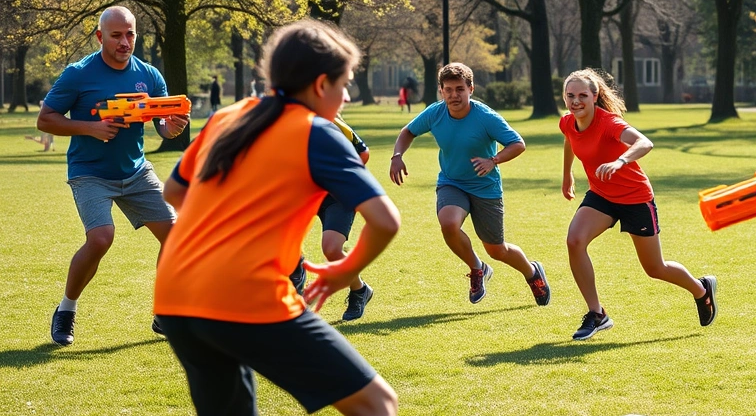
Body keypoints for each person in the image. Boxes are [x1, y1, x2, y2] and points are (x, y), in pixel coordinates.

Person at [154, 19, 400, 416]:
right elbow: (385, 220)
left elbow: (175, 191)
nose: (345, 98)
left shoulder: (227, 117)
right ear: (321, 84)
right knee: (375, 405)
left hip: (176, 294)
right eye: (345, 85)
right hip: (244, 292)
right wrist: (346, 271)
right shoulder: (317, 132)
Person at [38, 6, 189, 346]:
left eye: (130, 34)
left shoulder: (150, 75)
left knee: (177, 235)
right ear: (100, 36)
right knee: (101, 238)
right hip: (90, 173)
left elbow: (162, 126)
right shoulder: (78, 74)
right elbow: (46, 119)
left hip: (136, 171)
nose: (124, 42)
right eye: (117, 35)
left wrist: (171, 127)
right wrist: (91, 128)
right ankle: (66, 310)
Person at [559, 68, 717, 340]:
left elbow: (645, 142)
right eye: (570, 95)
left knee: (655, 268)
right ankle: (597, 314)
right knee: (575, 241)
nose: (576, 101)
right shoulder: (568, 122)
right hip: (602, 196)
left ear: (595, 96)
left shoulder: (610, 123)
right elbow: (570, 142)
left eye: (582, 95)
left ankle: (701, 290)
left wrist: (621, 161)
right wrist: (567, 175)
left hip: (634, 198)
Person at [389, 62, 550, 306]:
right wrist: (397, 156)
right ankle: (477, 268)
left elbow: (517, 143)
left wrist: (493, 160)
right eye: (448, 90)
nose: (454, 95)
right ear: (441, 91)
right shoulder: (435, 112)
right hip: (452, 182)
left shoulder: (485, 117)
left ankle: (532, 272)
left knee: (497, 250)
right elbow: (407, 132)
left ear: (470, 89)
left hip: (485, 187)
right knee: (449, 223)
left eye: (459, 89)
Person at [289, 89, 375, 321]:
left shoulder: (329, 121)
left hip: (337, 197)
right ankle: (294, 281)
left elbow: (363, 154)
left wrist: (340, 177)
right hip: (305, 196)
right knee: (278, 239)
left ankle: (359, 290)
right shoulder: (282, 124)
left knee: (331, 249)